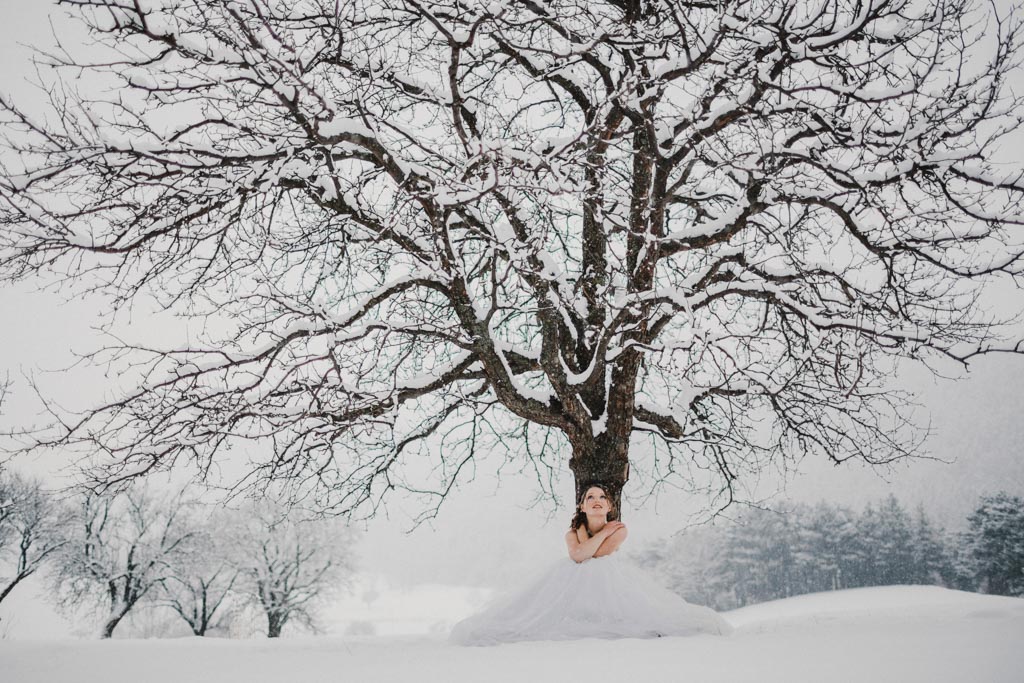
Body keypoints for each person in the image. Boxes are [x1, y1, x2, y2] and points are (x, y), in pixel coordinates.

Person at [448, 484, 733, 646]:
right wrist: (597, 533)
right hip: (570, 578)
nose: (597, 501)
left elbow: (596, 556)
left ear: (609, 506)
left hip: (609, 578)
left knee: (608, 583)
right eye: (590, 498)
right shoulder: (572, 533)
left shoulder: (620, 530)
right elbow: (578, 556)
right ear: (582, 507)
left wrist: (603, 533)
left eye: (602, 497)